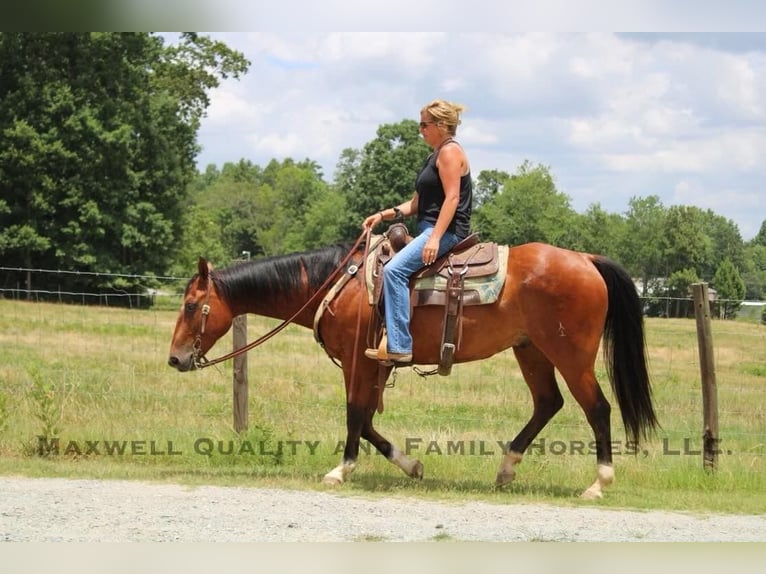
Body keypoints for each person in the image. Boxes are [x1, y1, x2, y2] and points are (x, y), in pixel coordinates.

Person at [363, 99, 473, 364]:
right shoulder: (433, 156)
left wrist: (435, 237)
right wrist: (383, 214)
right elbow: (415, 204)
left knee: (394, 270)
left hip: (447, 232)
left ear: (442, 125)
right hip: (430, 228)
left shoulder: (450, 152)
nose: (420, 129)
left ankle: (400, 346)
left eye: (424, 124)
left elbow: (452, 199)